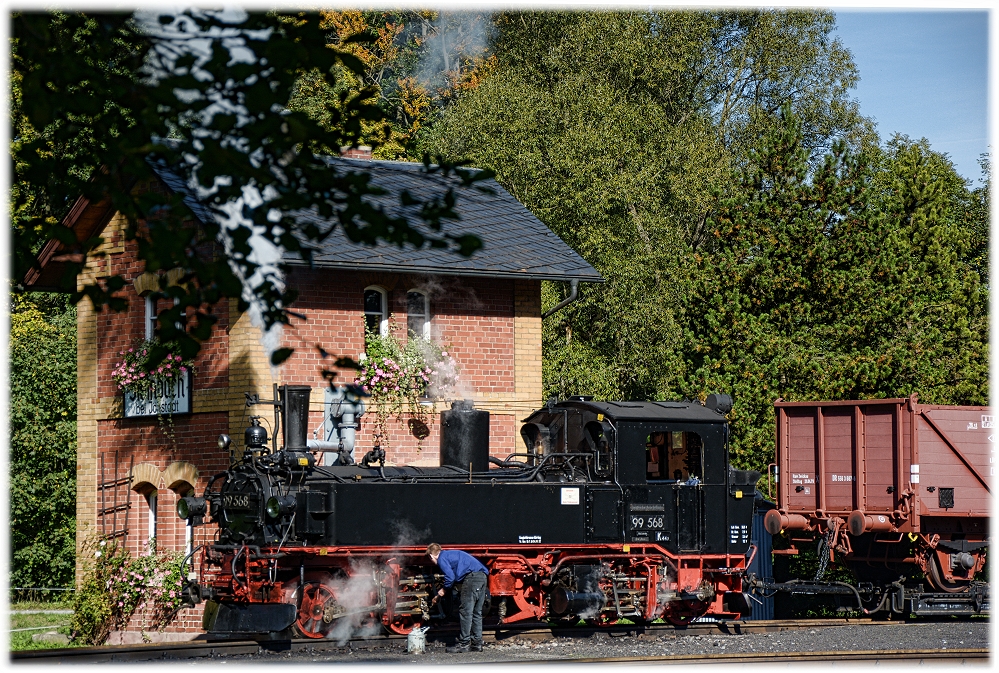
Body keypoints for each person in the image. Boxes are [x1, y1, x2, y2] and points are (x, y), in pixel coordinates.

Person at [426, 543, 489, 653]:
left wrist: (443, 590)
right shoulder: (450, 554)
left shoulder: (441, 558)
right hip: (482, 577)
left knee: (466, 611)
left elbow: (450, 577)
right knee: (476, 612)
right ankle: (477, 644)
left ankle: (464, 644)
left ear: (432, 556)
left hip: (472, 579)